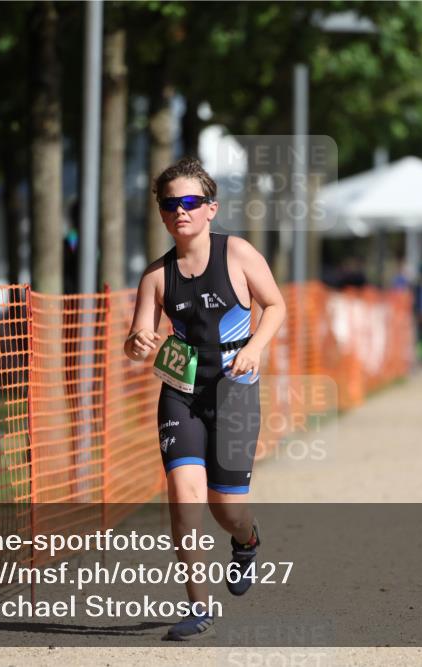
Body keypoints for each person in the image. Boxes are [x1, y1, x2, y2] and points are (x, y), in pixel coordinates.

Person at [124, 157, 286, 640]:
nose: (181, 211)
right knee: (183, 500)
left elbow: (275, 304)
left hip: (234, 393)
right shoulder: (156, 275)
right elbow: (137, 339)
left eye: (191, 202)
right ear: (161, 213)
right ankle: (199, 605)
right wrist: (138, 343)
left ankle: (247, 540)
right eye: (170, 204)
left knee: (226, 508)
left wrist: (255, 348)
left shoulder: (236, 253)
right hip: (181, 393)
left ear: (211, 208)